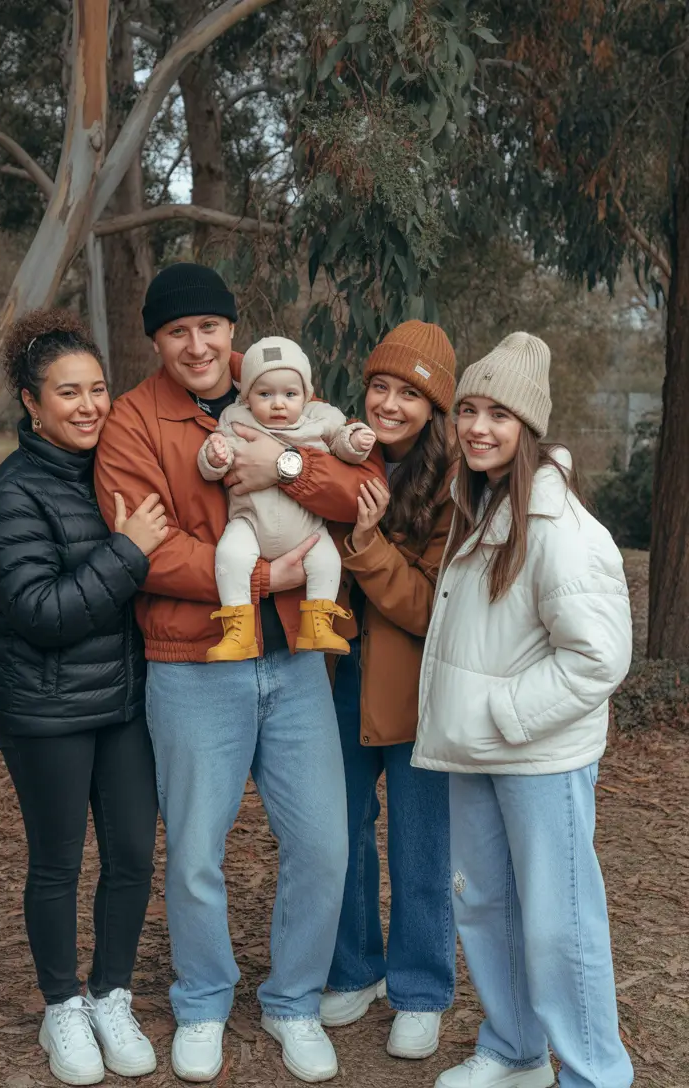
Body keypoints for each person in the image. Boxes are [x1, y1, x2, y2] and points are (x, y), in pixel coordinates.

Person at [94, 263, 381, 1084]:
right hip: (193, 663)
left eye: (209, 328)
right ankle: (203, 999)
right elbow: (148, 552)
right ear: (155, 340)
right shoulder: (132, 423)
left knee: (325, 842)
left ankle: (293, 1000)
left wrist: (285, 470)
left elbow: (361, 484)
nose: (196, 345)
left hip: (294, 660)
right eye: (177, 331)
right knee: (193, 851)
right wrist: (268, 579)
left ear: (233, 333)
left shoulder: (278, 391)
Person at [412, 333, 634, 1088]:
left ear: (529, 429)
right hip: (479, 749)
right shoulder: (476, 504)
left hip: (537, 752)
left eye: (497, 415)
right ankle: (515, 1051)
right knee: (486, 908)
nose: (476, 427)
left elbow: (598, 657)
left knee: (558, 926)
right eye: (467, 410)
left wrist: (503, 712)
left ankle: (594, 1075)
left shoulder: (559, 527)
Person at [0, 310, 168, 1086]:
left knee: (131, 855)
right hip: (45, 710)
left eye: (97, 389)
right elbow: (43, 615)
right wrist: (129, 553)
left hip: (122, 704)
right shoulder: (8, 495)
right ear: (31, 402)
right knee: (57, 863)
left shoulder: (112, 470)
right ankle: (62, 1008)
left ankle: (112, 994)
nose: (88, 406)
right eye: (67, 393)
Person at [319, 321, 457, 1061]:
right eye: (381, 386)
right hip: (339, 676)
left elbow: (429, 608)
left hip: (416, 690)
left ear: (435, 408)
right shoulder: (341, 455)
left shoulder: (451, 486)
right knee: (337, 831)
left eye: (411, 393)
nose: (391, 403)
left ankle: (421, 987)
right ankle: (355, 966)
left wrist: (368, 548)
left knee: (419, 842)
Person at [198, 335, 376, 661]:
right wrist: (214, 455)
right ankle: (238, 630)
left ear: (306, 395)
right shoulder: (235, 421)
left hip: (307, 529)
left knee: (326, 560)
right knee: (230, 555)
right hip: (250, 523)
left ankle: (318, 623)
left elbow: (343, 444)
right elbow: (211, 467)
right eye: (265, 394)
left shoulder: (320, 418)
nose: (278, 403)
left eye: (290, 394)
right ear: (248, 396)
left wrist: (356, 439)